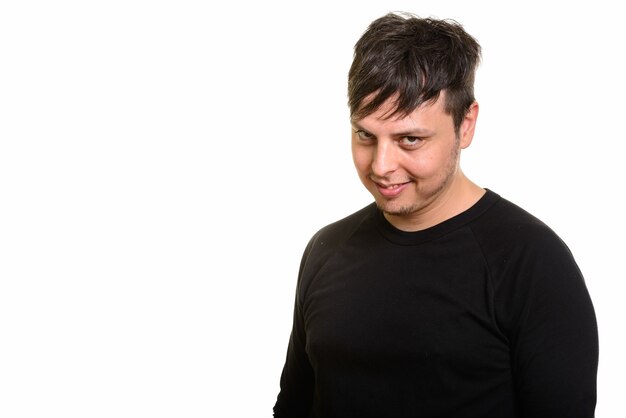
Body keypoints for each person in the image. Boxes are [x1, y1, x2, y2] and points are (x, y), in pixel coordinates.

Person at [273, 11, 598, 417]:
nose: (381, 165)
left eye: (410, 139)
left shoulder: (533, 263)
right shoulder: (325, 250)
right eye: (365, 136)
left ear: (466, 125)